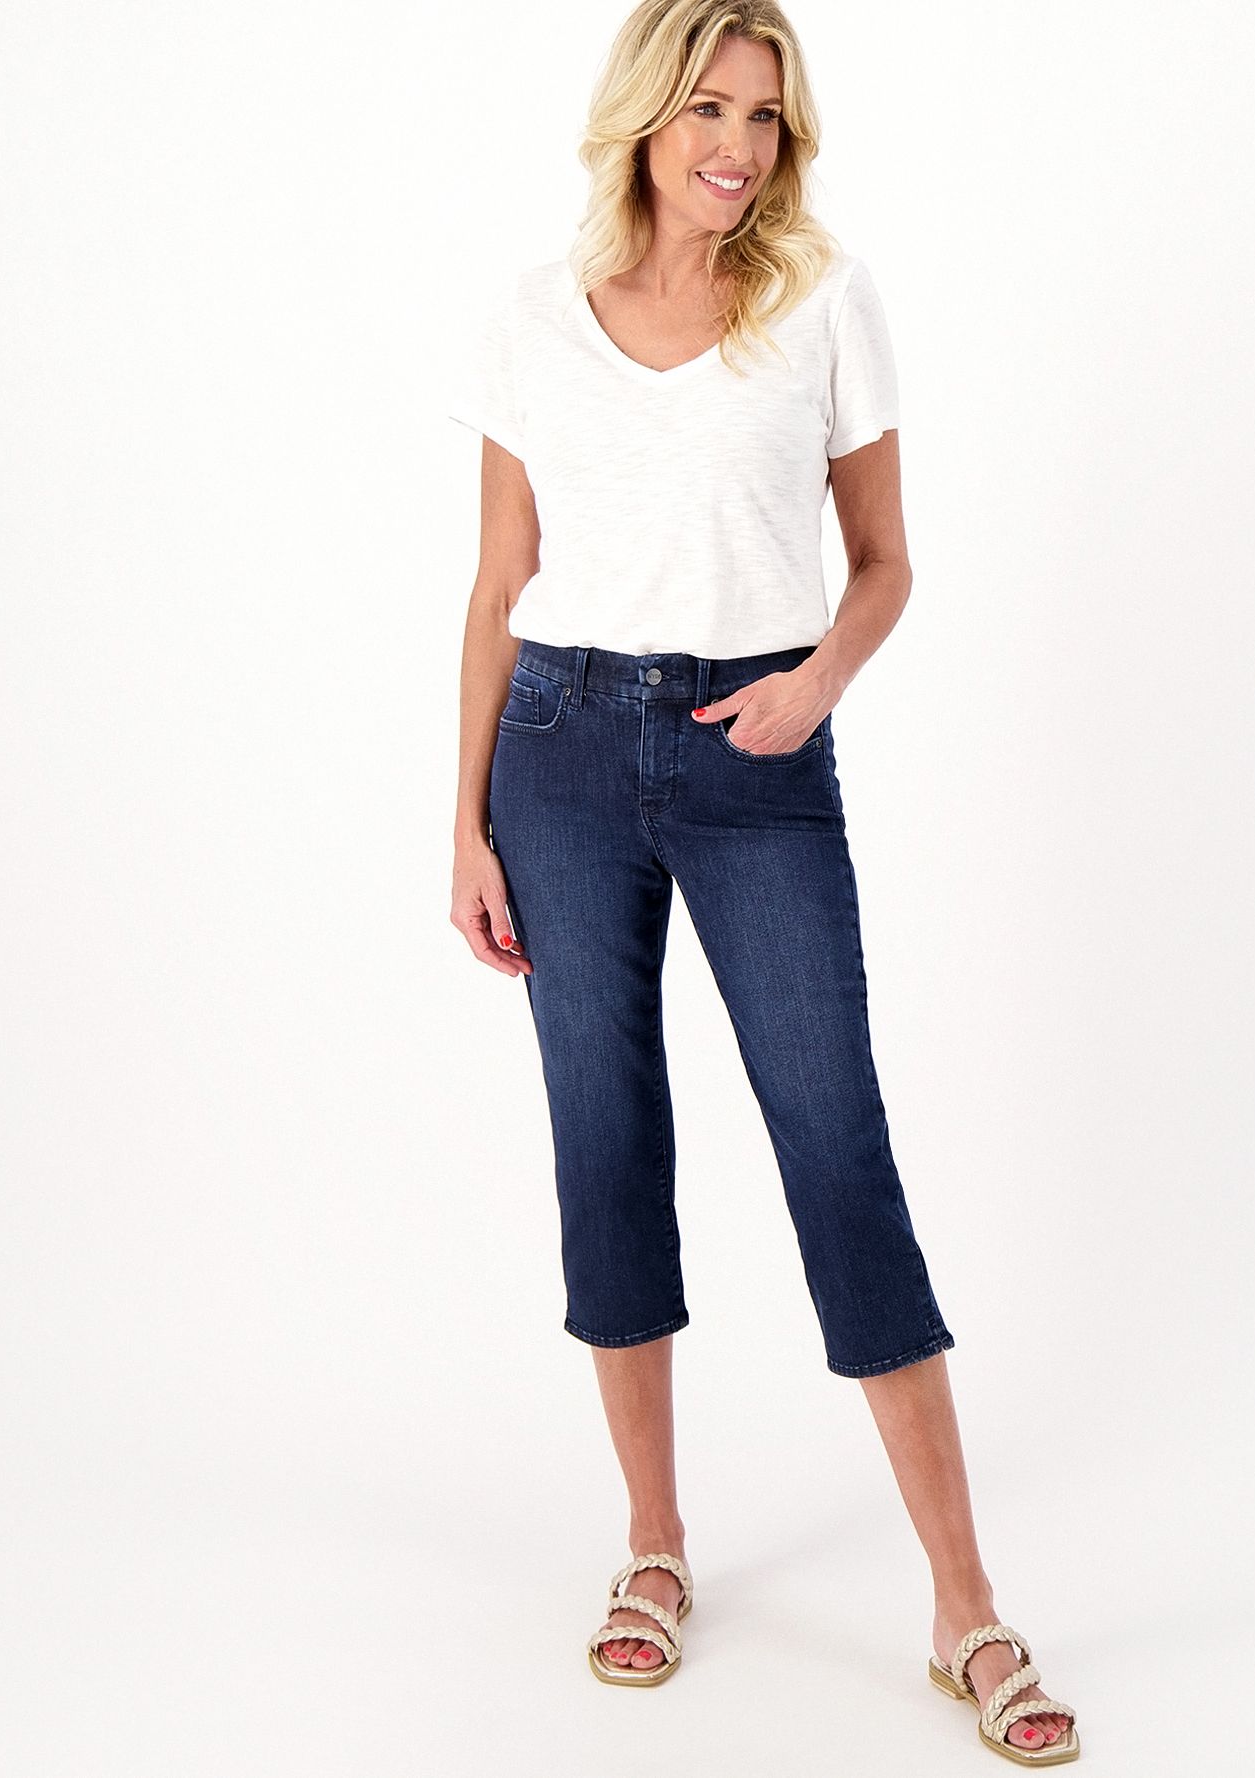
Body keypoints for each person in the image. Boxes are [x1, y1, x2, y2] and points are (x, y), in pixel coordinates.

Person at [447, 1, 1078, 1762]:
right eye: (709, 108)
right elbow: (497, 583)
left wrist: (818, 683)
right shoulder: (531, 315)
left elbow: (882, 562)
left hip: (757, 759)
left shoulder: (822, 301)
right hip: (560, 755)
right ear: (645, 115)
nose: (738, 145)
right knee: (607, 1140)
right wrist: (464, 824)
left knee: (834, 1142)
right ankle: (654, 1543)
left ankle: (965, 1605)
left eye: (765, 117)